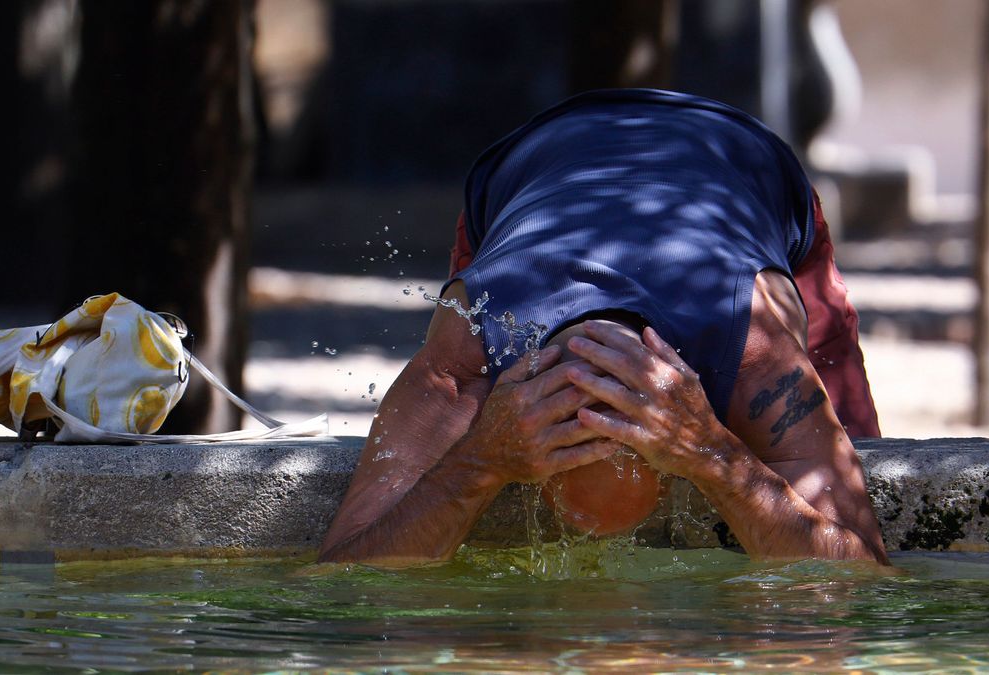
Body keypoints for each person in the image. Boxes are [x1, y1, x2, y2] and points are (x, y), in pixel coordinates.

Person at [319, 89, 888, 566]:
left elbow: (861, 570)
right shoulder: (469, 350)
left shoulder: (755, 350)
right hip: (532, 162)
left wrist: (712, 454)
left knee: (860, 453)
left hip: (742, 157)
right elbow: (343, 569)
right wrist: (477, 462)